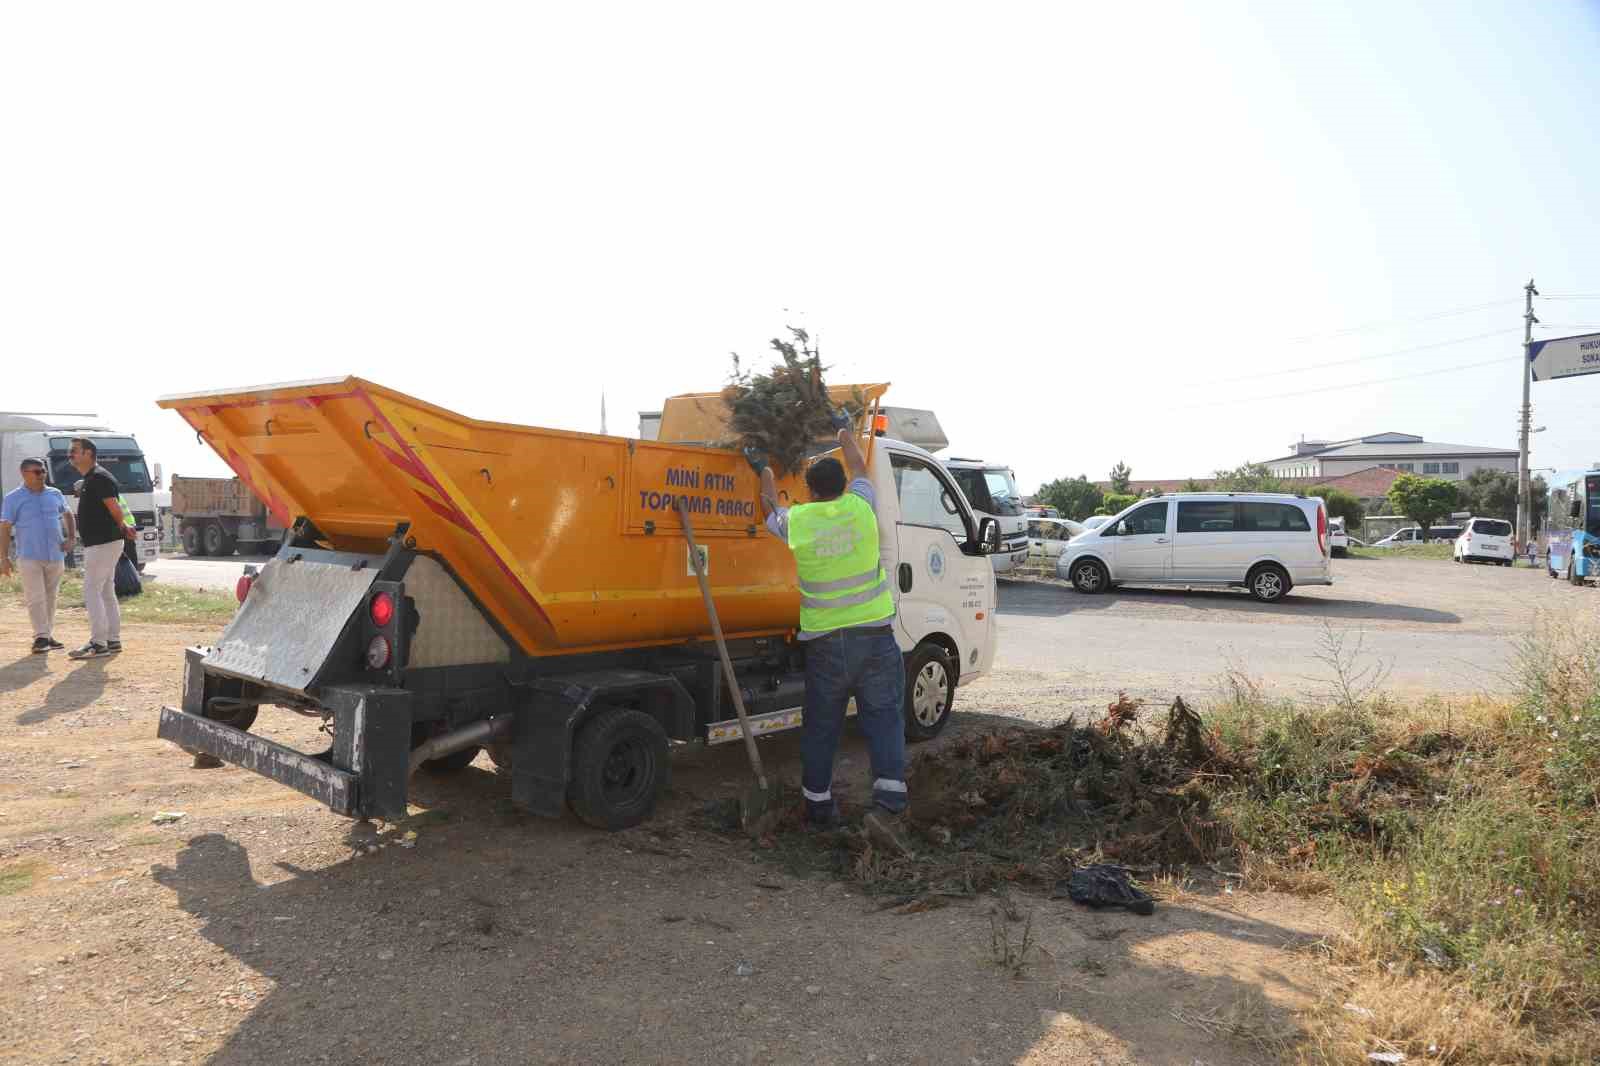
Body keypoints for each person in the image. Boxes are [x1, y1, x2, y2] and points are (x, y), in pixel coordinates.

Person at [755, 421, 913, 856]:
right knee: (883, 717)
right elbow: (861, 462)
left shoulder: (800, 520)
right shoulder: (862, 505)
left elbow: (768, 507)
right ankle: (889, 804)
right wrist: (845, 432)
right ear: (845, 485)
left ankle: (818, 806)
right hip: (875, 638)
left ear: (808, 489)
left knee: (822, 725)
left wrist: (763, 468)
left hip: (826, 645)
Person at [66, 438, 135, 659]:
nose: (70, 455)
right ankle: (112, 640)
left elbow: (114, 508)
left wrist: (123, 525)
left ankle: (98, 643)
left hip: (103, 543)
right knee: (105, 590)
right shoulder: (92, 478)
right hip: (104, 543)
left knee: (92, 590)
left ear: (88, 453)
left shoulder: (98, 477)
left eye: (74, 451)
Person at [0, 457, 76, 652]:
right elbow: (5, 528)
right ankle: (41, 636)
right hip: (29, 555)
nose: (42, 475)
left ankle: (47, 635)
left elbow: (67, 514)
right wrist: (4, 557)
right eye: (37, 472)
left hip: (56, 554)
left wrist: (71, 538)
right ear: (24, 474)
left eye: (43, 471)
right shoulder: (13, 498)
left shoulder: (55, 493)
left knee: (51, 597)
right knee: (35, 597)